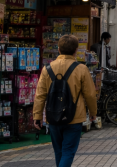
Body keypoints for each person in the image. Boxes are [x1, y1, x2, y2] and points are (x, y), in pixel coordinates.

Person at [33, 35, 97, 167]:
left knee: (59, 151)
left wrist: (37, 116)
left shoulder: (47, 69)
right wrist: (93, 112)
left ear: (59, 49)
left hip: (53, 116)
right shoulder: (81, 69)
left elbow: (40, 95)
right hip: (74, 117)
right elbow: (90, 94)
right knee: (68, 152)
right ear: (76, 50)